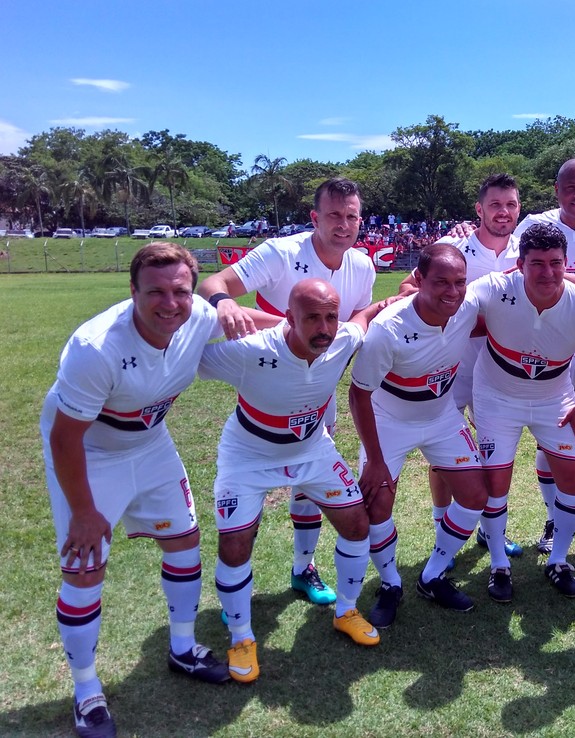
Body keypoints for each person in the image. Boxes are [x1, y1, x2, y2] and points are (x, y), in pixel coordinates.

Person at [41, 243, 231, 737]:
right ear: (132, 291)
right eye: (155, 292)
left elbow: (255, 320)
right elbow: (64, 438)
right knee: (84, 568)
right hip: (89, 453)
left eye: (180, 291)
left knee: (185, 542)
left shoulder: (198, 316)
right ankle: (86, 691)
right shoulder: (97, 347)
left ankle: (184, 649)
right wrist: (83, 510)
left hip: (150, 444)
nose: (170, 303)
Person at [199, 178, 375, 611]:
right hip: (266, 377)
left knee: (308, 481)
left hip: (317, 386)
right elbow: (213, 284)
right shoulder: (281, 252)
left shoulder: (363, 265)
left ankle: (303, 567)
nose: (344, 224)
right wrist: (225, 304)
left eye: (352, 216)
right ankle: (241, 574)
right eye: (334, 215)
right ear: (315, 218)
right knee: (255, 488)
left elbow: (352, 320)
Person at [198, 279, 384, 683]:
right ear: (288, 317)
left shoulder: (342, 338)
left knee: (357, 525)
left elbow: (365, 318)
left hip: (312, 449)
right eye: (312, 317)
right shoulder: (251, 350)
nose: (323, 327)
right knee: (233, 544)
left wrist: (392, 299)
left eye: (330, 316)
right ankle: (241, 636)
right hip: (248, 455)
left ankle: (347, 610)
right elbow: (188, 358)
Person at [470, 223, 575, 599]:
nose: (548, 273)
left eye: (556, 263)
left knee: (573, 479)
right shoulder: (494, 288)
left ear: (566, 263)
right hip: (496, 396)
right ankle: (498, 565)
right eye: (537, 263)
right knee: (495, 484)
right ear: (519, 264)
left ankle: (558, 561)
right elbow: (450, 305)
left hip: (554, 398)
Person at [349, 245, 490, 623]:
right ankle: (391, 582)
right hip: (389, 420)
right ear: (419, 280)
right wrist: (375, 460)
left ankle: (432, 575)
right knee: (377, 504)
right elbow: (358, 394)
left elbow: (519, 283)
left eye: (460, 282)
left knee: (476, 495)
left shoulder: (469, 307)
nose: (453, 291)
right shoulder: (388, 329)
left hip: (441, 416)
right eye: (441, 282)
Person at [399, 174, 526, 563]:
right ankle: (443, 531)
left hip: (501, 372)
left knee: (493, 454)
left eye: (510, 205)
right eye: (495, 205)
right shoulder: (453, 247)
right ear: (479, 209)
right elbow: (407, 289)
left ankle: (492, 532)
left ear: (519, 208)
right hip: (453, 366)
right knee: (443, 455)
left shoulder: (526, 249)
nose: (503, 212)